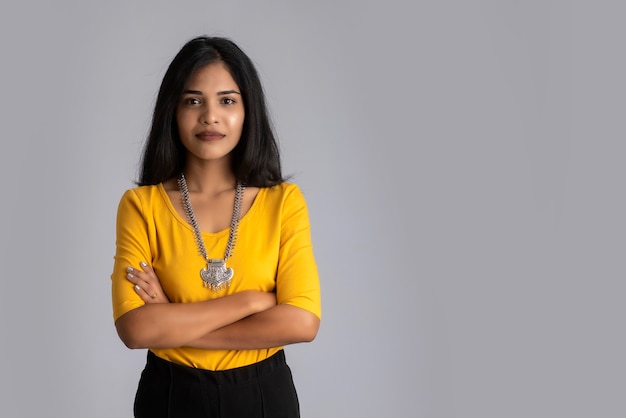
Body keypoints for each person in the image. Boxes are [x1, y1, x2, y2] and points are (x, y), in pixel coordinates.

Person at [110, 36, 321, 418]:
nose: (210, 116)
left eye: (227, 100)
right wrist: (252, 302)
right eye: (193, 100)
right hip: (171, 394)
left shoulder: (283, 202)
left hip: (262, 394)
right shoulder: (141, 206)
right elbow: (136, 330)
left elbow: (302, 322)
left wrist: (173, 322)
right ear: (172, 111)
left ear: (247, 110)